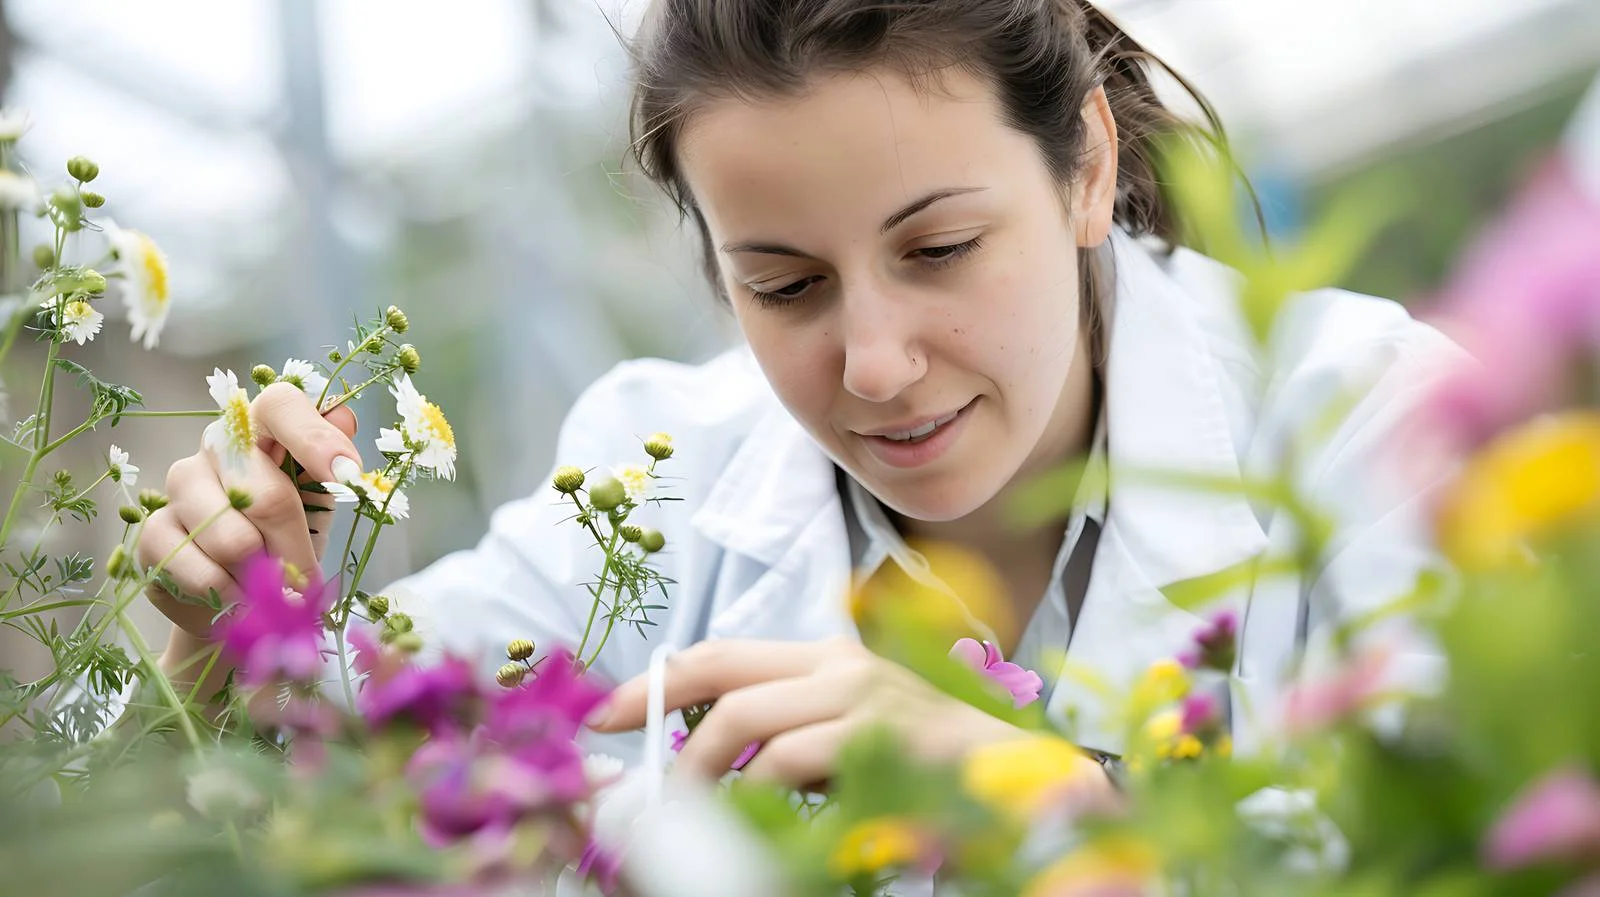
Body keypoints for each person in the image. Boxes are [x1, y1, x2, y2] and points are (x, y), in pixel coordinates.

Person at [136, 0, 1460, 786]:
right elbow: (332, 743)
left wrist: (1049, 814)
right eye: (784, 285)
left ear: (1086, 168)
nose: (874, 363)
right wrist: (231, 647)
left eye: (939, 250)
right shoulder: (660, 479)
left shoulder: (1383, 430)